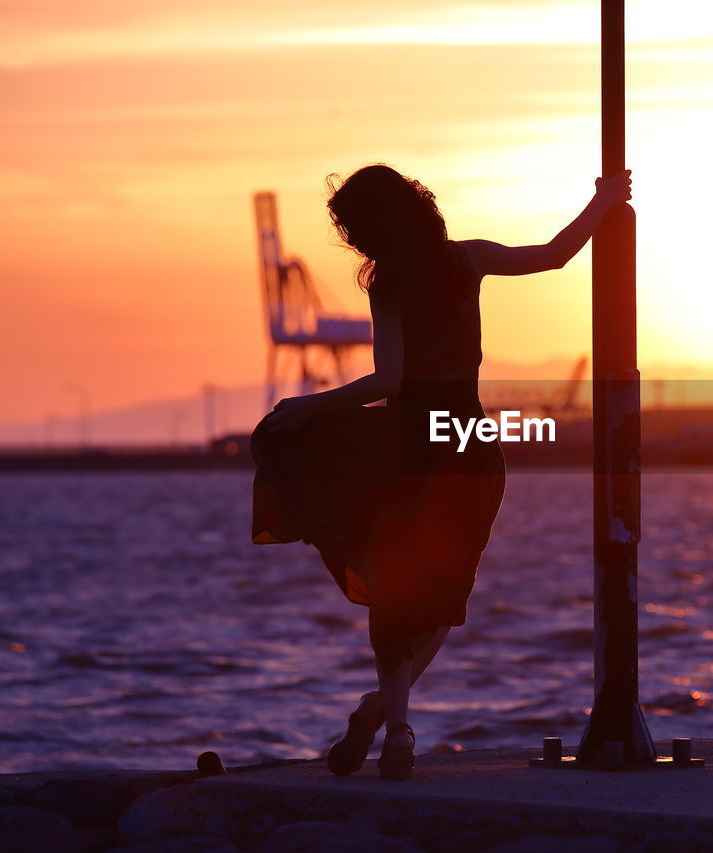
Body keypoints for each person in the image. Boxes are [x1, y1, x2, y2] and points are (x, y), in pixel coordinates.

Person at [249, 163, 632, 780]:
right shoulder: (468, 260)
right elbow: (555, 255)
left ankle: (392, 719)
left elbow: (389, 381)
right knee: (444, 596)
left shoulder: (390, 285)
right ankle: (385, 718)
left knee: (397, 586)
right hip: (470, 443)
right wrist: (604, 202)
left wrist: (306, 407)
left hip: (412, 449)